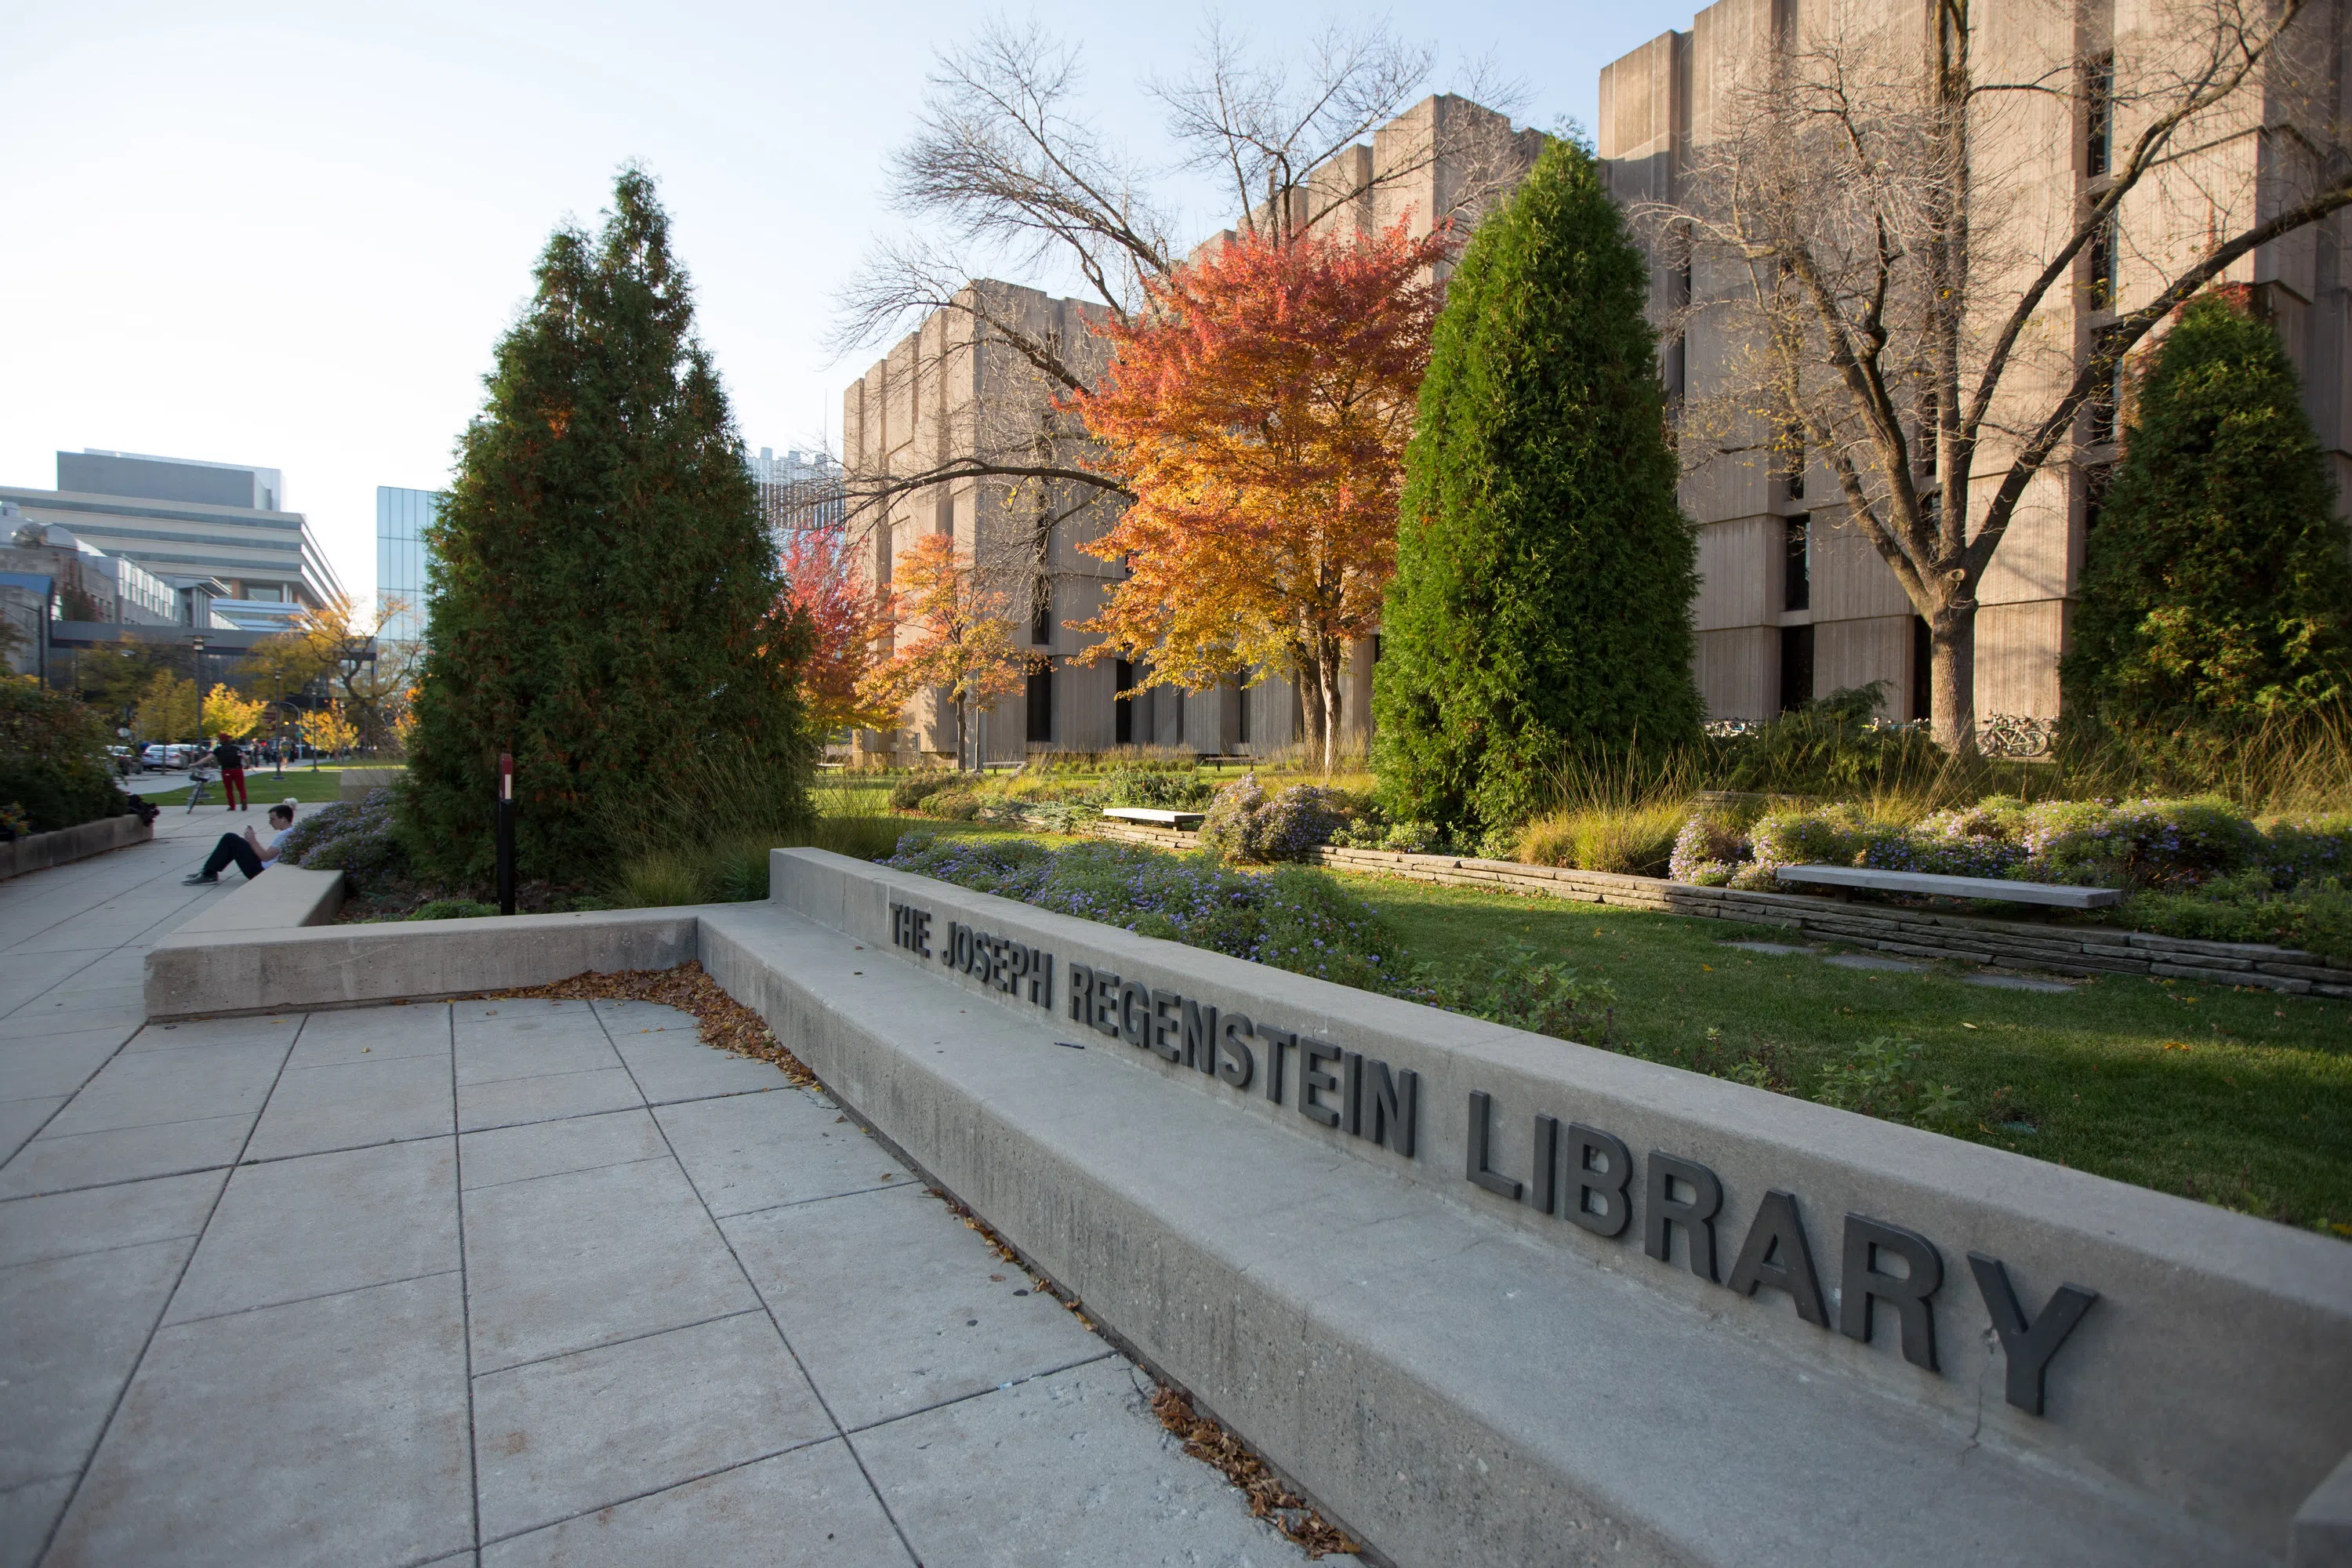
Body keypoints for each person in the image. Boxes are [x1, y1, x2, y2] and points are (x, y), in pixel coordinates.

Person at [184, 803, 295, 884]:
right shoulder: (291, 832)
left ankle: (209, 874)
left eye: (272, 819)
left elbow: (266, 857)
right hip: (263, 866)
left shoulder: (284, 835)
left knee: (230, 838)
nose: (270, 823)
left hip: (259, 871)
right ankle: (208, 871)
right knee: (232, 840)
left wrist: (252, 840)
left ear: (283, 819)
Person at [212, 733, 248, 811]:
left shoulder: (219, 749)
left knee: (229, 789)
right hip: (237, 769)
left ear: (221, 740)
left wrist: (196, 764)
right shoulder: (236, 748)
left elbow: (209, 757)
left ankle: (232, 806)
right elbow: (245, 757)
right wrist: (247, 765)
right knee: (241, 788)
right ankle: (243, 799)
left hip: (226, 770)